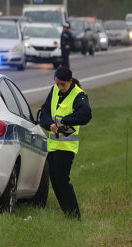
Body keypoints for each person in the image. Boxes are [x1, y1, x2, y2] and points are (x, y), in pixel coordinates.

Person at [37, 66, 92, 219]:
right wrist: (49, 124)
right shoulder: (54, 90)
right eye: (57, 83)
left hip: (67, 146)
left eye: (63, 84)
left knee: (62, 180)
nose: (60, 87)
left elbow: (86, 115)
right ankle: (68, 213)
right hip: (53, 145)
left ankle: (74, 215)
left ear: (69, 81)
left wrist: (65, 121)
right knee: (54, 180)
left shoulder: (78, 95)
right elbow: (45, 111)